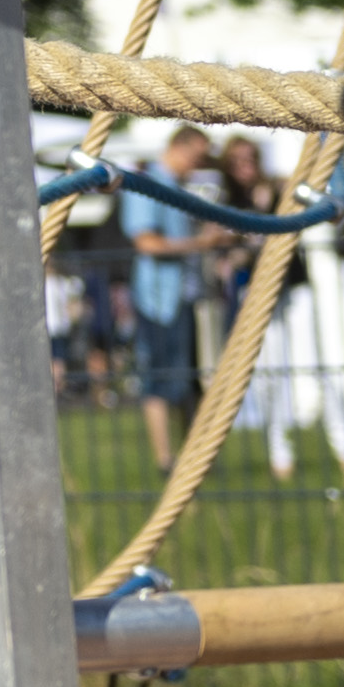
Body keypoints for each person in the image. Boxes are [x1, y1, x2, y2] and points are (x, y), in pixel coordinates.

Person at [131, 126, 219, 471]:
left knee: (187, 379)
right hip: (158, 301)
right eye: (197, 157)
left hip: (181, 296)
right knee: (159, 379)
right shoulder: (148, 184)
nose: (198, 165)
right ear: (180, 148)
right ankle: (165, 459)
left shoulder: (174, 186)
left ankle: (191, 458)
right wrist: (201, 244)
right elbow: (146, 243)